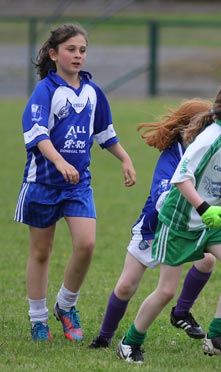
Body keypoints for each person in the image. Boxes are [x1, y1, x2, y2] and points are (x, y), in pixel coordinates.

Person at [116, 81, 221, 363]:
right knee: (165, 291)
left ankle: (217, 337)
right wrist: (203, 209)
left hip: (209, 222)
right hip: (179, 221)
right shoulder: (210, 138)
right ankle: (129, 342)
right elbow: (181, 178)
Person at [14, 24, 137, 342]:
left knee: (86, 244)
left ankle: (66, 306)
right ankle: (38, 319)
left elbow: (105, 133)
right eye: (71, 49)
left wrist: (124, 158)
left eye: (82, 50)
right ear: (54, 54)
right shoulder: (46, 90)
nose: (78, 55)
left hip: (78, 184)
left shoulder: (93, 91)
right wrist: (58, 161)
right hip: (43, 182)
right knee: (41, 252)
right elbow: (36, 134)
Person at [89, 98, 217, 349]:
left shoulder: (210, 153)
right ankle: (104, 336)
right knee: (126, 286)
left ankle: (181, 313)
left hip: (185, 228)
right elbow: (162, 200)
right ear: (189, 128)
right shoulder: (172, 157)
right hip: (154, 227)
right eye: (207, 127)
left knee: (208, 260)